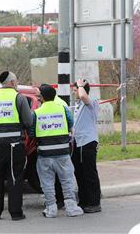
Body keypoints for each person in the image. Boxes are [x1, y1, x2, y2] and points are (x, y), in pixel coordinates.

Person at [29, 84, 83, 218]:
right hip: (63, 153)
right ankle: (71, 208)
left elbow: (31, 132)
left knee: (47, 182)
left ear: (42, 97)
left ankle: (51, 209)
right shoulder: (63, 110)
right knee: (67, 181)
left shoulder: (37, 113)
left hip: (44, 154)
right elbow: (71, 124)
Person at [0, 71, 32, 221]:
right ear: (12, 82)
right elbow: (28, 121)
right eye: (16, 81)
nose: (17, 83)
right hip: (14, 145)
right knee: (15, 178)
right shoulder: (19, 97)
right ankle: (16, 213)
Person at [72, 78, 101, 213]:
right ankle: (83, 201)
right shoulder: (77, 105)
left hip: (88, 142)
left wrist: (80, 85)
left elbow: (83, 95)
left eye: (75, 90)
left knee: (89, 173)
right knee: (79, 173)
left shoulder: (91, 102)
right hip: (78, 143)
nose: (74, 93)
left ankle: (95, 203)